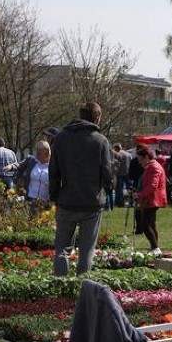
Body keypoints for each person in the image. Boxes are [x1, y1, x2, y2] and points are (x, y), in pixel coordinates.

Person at [49, 102, 114, 276]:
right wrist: (110, 187)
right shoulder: (100, 140)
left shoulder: (60, 139)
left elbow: (53, 171)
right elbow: (107, 172)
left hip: (66, 200)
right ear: (97, 118)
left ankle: (60, 282)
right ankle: (82, 286)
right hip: (91, 202)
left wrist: (54, 195)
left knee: (61, 247)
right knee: (86, 249)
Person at [133, 146, 167, 256]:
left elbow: (152, 186)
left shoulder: (154, 167)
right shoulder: (151, 166)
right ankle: (155, 248)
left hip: (153, 199)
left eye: (140, 159)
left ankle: (155, 248)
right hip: (151, 199)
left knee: (145, 225)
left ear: (146, 157)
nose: (139, 162)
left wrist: (139, 194)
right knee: (151, 224)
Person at [5, 140, 52, 216]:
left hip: (45, 200)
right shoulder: (31, 160)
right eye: (37, 149)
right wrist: (11, 166)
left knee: (43, 224)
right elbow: (19, 165)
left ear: (46, 151)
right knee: (30, 221)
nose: (37, 152)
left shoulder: (53, 165)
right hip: (30, 198)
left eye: (40, 150)